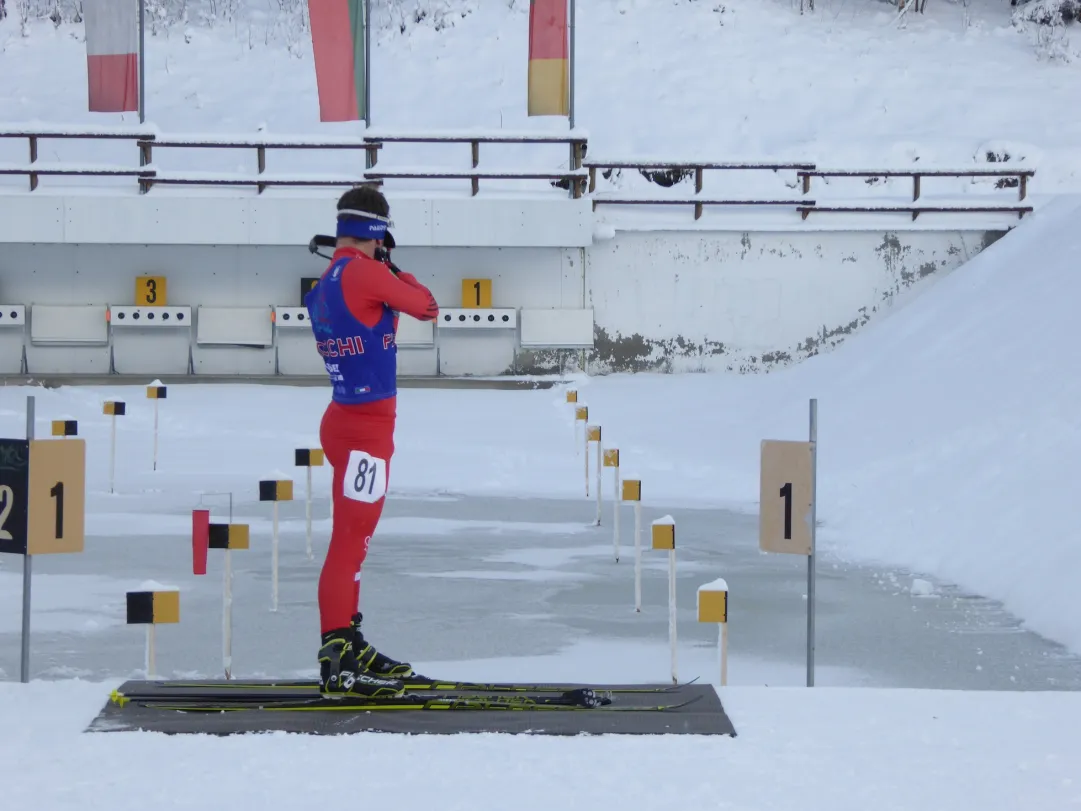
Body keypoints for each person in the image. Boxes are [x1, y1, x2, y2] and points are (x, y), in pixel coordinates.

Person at [304, 186, 440, 697]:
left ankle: (348, 642)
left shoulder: (328, 279)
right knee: (349, 546)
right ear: (378, 232)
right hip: (365, 432)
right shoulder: (364, 273)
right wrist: (394, 269)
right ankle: (338, 652)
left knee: (350, 547)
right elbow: (427, 306)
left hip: (345, 420)